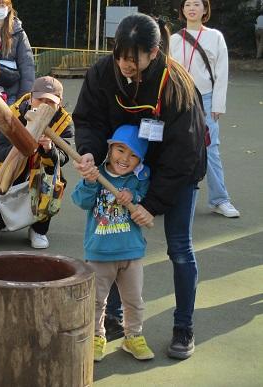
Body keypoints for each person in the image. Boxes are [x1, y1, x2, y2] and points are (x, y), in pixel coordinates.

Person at [72, 14, 207, 360]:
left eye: (134, 58)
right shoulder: (104, 72)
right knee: (116, 242)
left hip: (176, 173)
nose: (125, 64)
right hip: (123, 169)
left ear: (154, 52)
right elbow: (89, 119)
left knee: (179, 247)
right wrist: (89, 153)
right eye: (120, 55)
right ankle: (114, 319)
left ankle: (184, 326)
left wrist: (154, 202)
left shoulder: (176, 85)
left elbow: (183, 152)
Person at [72, 124, 153, 362]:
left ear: (140, 160)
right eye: (120, 150)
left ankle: (133, 336)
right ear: (109, 149)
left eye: (133, 155)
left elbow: (145, 199)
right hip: (99, 252)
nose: (125, 159)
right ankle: (97, 336)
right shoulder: (96, 174)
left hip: (131, 252)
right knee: (96, 300)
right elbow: (81, 201)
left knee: (134, 300)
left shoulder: (139, 179)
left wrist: (134, 197)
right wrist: (89, 183)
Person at [0, 76, 73, 248]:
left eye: (50, 101)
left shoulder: (63, 122)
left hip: (39, 175)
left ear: (59, 103)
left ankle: (38, 229)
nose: (44, 104)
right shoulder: (11, 114)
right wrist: (24, 145)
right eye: (40, 99)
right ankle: (1, 222)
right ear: (31, 98)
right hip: (7, 172)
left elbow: (64, 156)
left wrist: (48, 149)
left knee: (54, 181)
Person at [170, 0, 240, 218]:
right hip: (180, 98)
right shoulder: (173, 39)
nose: (192, 8)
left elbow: (222, 71)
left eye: (197, 4)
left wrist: (218, 104)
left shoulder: (215, 37)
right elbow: (168, 71)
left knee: (211, 149)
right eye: (188, 4)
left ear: (205, 9)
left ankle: (219, 200)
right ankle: (168, 197)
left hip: (207, 99)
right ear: (182, 10)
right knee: (173, 147)